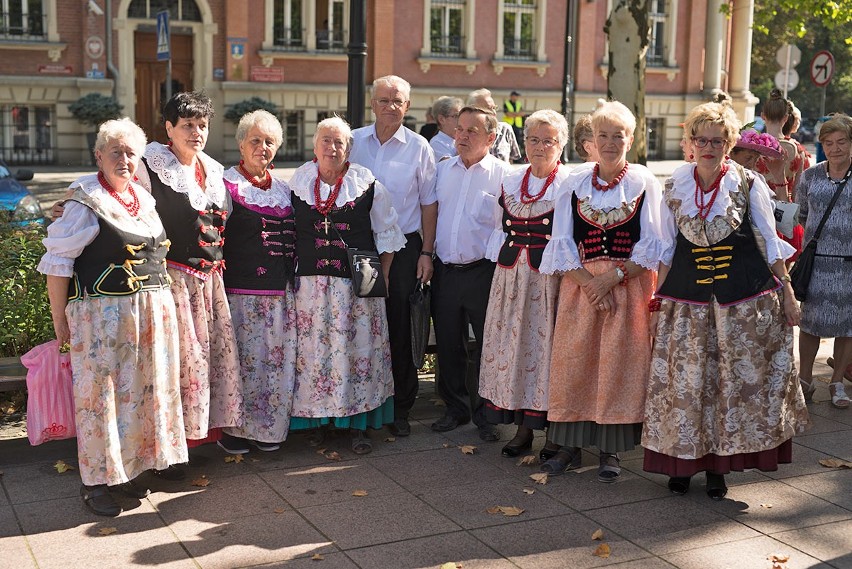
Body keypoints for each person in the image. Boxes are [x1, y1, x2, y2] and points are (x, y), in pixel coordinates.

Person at [643, 102, 808, 500]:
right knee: (685, 386)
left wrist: (787, 292)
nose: (709, 147)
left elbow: (769, 242)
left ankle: (718, 468)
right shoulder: (674, 185)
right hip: (686, 302)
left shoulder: (748, 182)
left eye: (718, 140)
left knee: (728, 386)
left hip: (741, 303)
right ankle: (682, 464)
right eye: (702, 139)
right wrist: (656, 301)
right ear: (690, 143)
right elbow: (666, 249)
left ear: (729, 144)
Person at [39, 118, 187, 516]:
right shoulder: (84, 200)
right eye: (116, 151)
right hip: (102, 319)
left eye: (131, 152)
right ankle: (96, 482)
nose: (124, 159)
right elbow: (57, 264)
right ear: (99, 155)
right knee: (100, 400)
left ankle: (132, 468)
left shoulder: (143, 198)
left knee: (140, 395)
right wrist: (60, 322)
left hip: (150, 315)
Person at [540, 101, 667, 482]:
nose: (610, 143)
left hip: (627, 284)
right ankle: (568, 446)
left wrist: (611, 278)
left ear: (631, 138)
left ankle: (611, 450)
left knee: (618, 363)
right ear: (591, 141)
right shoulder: (574, 182)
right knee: (574, 360)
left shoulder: (643, 181)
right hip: (580, 285)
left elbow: (654, 243)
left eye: (618, 135)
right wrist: (590, 284)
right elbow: (561, 240)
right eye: (602, 136)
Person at [134, 91, 242, 461]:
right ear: (169, 128)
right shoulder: (148, 164)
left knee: (205, 362)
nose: (196, 132)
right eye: (187, 126)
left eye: (202, 125)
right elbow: (115, 194)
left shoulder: (212, 169)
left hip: (210, 282)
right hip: (173, 281)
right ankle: (170, 447)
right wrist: (69, 200)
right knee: (177, 365)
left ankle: (203, 438)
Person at [288, 116, 406, 454]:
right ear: (314, 145)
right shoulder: (298, 181)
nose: (332, 147)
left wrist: (380, 276)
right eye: (326, 140)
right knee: (315, 356)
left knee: (357, 354)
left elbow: (387, 235)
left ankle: (357, 425)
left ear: (349, 148)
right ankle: (320, 421)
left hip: (357, 285)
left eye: (339, 142)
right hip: (310, 286)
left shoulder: (367, 184)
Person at [349, 75, 437, 438]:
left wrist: (427, 252)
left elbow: (429, 204)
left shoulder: (419, 147)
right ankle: (360, 404)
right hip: (361, 250)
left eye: (397, 101)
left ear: (408, 106)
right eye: (383, 100)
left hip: (403, 250)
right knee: (361, 326)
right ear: (372, 104)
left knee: (399, 327)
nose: (390, 106)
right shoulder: (352, 141)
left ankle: (400, 407)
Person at [478, 110, 569, 459]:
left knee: (547, 354)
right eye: (534, 139)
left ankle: (556, 434)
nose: (540, 146)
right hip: (512, 280)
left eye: (549, 140)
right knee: (516, 352)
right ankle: (523, 427)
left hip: (550, 281)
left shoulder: (569, 185)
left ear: (560, 145)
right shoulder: (512, 182)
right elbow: (498, 228)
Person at [216, 110, 297, 454]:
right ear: (241, 143)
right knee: (242, 365)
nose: (262, 148)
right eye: (255, 140)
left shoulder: (284, 188)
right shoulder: (223, 185)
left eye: (269, 142)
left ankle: (268, 430)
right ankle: (234, 432)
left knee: (274, 365)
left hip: (280, 294)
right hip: (240, 294)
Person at [429, 105, 511, 440]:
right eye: (459, 129)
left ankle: (486, 415)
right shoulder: (443, 170)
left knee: (487, 346)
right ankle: (455, 408)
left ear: (490, 138)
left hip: (483, 272)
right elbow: (432, 215)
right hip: (445, 271)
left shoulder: (504, 176)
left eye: (471, 131)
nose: (461, 136)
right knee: (450, 344)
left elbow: (505, 227)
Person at [795, 115, 852, 409]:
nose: (835, 148)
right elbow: (803, 214)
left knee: (848, 326)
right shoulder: (810, 176)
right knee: (810, 324)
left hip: (850, 264)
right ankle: (805, 379)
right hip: (817, 263)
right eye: (828, 143)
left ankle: (837, 382)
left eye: (842, 141)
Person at [468, 88, 521, 163]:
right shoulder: (465, 134)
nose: (493, 112)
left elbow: (510, 162)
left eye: (494, 108)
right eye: (488, 109)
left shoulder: (505, 129)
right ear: (473, 111)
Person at [429, 96, 463, 160]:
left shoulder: (457, 139)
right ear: (441, 119)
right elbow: (450, 167)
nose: (460, 120)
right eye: (456, 116)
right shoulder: (437, 142)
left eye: (461, 116)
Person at [503, 90, 525, 157]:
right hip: (509, 125)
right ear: (512, 96)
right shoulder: (506, 103)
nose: (516, 98)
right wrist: (517, 114)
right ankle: (509, 157)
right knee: (508, 141)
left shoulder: (519, 104)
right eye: (515, 96)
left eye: (517, 96)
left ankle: (516, 157)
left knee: (517, 141)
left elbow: (522, 114)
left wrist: (513, 114)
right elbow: (508, 114)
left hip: (518, 126)